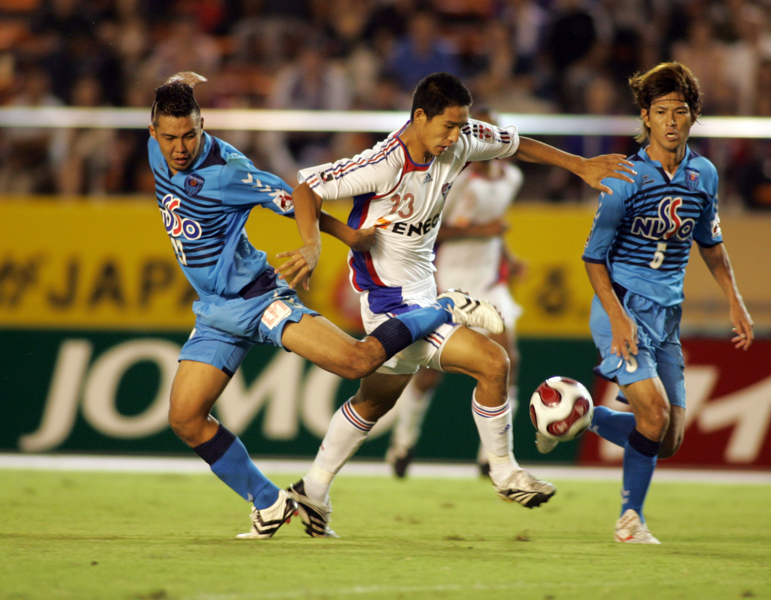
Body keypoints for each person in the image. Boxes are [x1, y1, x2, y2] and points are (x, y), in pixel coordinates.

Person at [275, 71, 636, 537]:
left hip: (417, 290)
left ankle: (314, 487)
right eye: (448, 125)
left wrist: (580, 165)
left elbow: (517, 144)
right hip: (387, 301)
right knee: (493, 361)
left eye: (462, 125)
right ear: (419, 116)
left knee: (372, 403)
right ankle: (504, 472)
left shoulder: (462, 140)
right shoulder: (384, 163)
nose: (456, 135)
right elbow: (303, 189)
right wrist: (320, 242)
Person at [147, 72, 505, 540]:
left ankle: (446, 306)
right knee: (186, 418)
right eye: (170, 136)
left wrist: (344, 237)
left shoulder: (229, 170)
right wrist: (177, 82)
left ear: (202, 124)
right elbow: (165, 107)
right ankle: (270, 502)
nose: (179, 147)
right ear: (153, 130)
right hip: (215, 309)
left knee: (357, 363)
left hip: (258, 299)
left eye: (190, 134)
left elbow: (294, 198)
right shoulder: (157, 146)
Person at [538, 62, 754, 544]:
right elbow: (593, 260)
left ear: (693, 117)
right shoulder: (625, 177)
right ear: (646, 117)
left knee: (669, 438)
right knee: (652, 416)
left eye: (680, 111)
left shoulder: (704, 175)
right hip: (622, 304)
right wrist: (616, 317)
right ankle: (629, 521)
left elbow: (711, 246)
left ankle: (580, 415)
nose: (672, 121)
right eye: (661, 112)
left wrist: (735, 303)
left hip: (666, 316)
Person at [385, 107, 526, 478]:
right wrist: (482, 232)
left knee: (508, 360)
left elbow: (496, 228)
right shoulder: (454, 178)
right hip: (450, 282)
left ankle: (492, 457)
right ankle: (403, 443)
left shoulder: (512, 177)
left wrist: (509, 256)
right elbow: (436, 232)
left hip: (490, 282)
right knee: (430, 372)